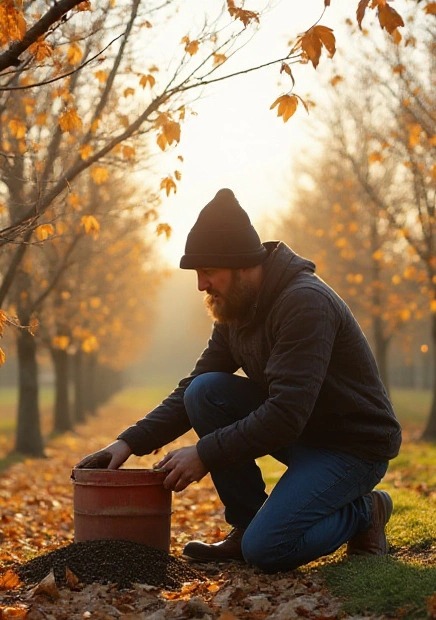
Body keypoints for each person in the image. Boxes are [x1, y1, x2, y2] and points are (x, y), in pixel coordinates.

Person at [77, 188, 402, 572]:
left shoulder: (304, 303)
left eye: (208, 272)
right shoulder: (236, 309)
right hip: (304, 434)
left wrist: (204, 453)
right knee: (205, 391)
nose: (201, 285)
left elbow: (285, 414)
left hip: (352, 448)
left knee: (267, 549)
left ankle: (366, 511)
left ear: (243, 265)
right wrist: (128, 442)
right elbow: (193, 388)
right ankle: (245, 524)